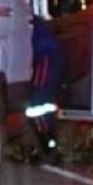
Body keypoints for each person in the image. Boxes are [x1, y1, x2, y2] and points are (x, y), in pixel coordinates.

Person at [25, 15, 65, 165]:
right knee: (42, 104)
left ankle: (48, 147)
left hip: (45, 58)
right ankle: (49, 146)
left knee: (37, 105)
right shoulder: (32, 20)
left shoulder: (27, 20)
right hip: (49, 57)